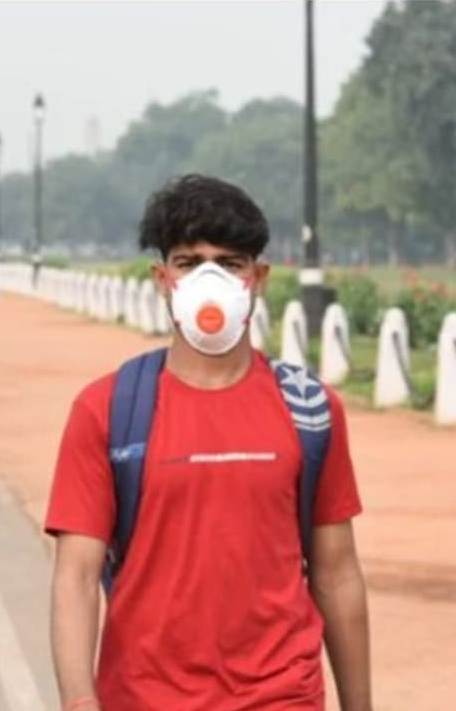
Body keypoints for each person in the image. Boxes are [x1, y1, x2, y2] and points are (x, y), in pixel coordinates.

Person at [45, 174, 373, 711]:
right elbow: (75, 576)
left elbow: (337, 573)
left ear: (258, 278)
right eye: (189, 262)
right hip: (145, 697)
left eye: (230, 262)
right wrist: (80, 702)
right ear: (162, 278)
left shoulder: (309, 409)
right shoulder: (105, 410)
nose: (209, 279)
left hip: (280, 695)